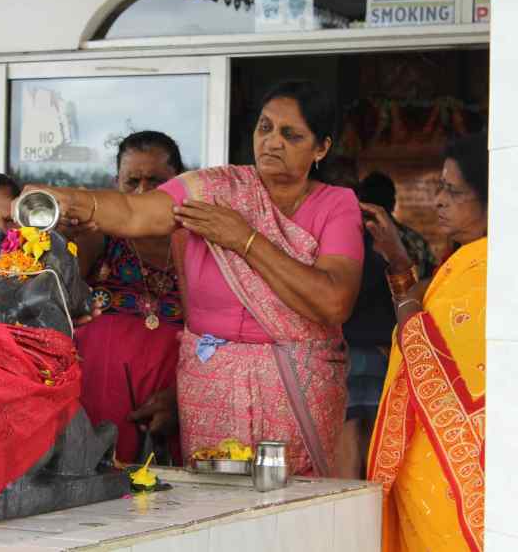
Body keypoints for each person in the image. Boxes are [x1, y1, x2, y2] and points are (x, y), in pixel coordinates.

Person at [32, 80, 364, 475]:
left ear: (321, 148)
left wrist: (245, 240)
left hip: (296, 389)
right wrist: (68, 201)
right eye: (265, 127)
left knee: (294, 500)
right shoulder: (215, 189)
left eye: (291, 135)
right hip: (212, 386)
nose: (272, 142)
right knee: (211, 498)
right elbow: (135, 213)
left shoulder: (336, 205)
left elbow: (334, 301)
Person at [366, 133, 488, 552]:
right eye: (439, 187)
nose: (438, 201)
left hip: (453, 474)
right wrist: (399, 263)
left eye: (453, 191)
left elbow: (427, 361)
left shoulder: (487, 271)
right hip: (430, 463)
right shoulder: (465, 261)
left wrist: (402, 281)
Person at [73, 131, 185, 465]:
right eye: (132, 182)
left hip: (176, 400)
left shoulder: (198, 243)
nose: (142, 192)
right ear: (116, 184)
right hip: (98, 398)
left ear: (180, 184)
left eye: (156, 182)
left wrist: (180, 398)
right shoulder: (97, 236)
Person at [337, 171, 437, 479]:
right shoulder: (411, 241)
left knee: (348, 431)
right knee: (380, 433)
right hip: (388, 349)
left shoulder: (341, 240)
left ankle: (350, 501)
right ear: (392, 202)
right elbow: (427, 293)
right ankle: (375, 501)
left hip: (348, 348)